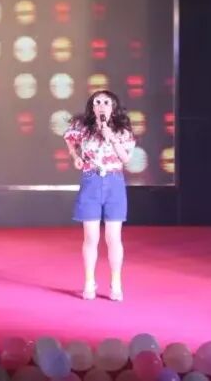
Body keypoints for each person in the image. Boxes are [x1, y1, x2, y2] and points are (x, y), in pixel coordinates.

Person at [62, 89, 136, 302]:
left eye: (106, 102)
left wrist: (111, 137)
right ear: (92, 107)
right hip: (91, 181)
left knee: (113, 237)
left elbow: (126, 159)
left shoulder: (122, 131)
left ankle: (116, 282)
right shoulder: (83, 128)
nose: (101, 106)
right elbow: (68, 138)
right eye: (97, 102)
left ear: (113, 107)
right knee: (91, 237)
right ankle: (89, 281)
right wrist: (75, 156)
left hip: (114, 182)